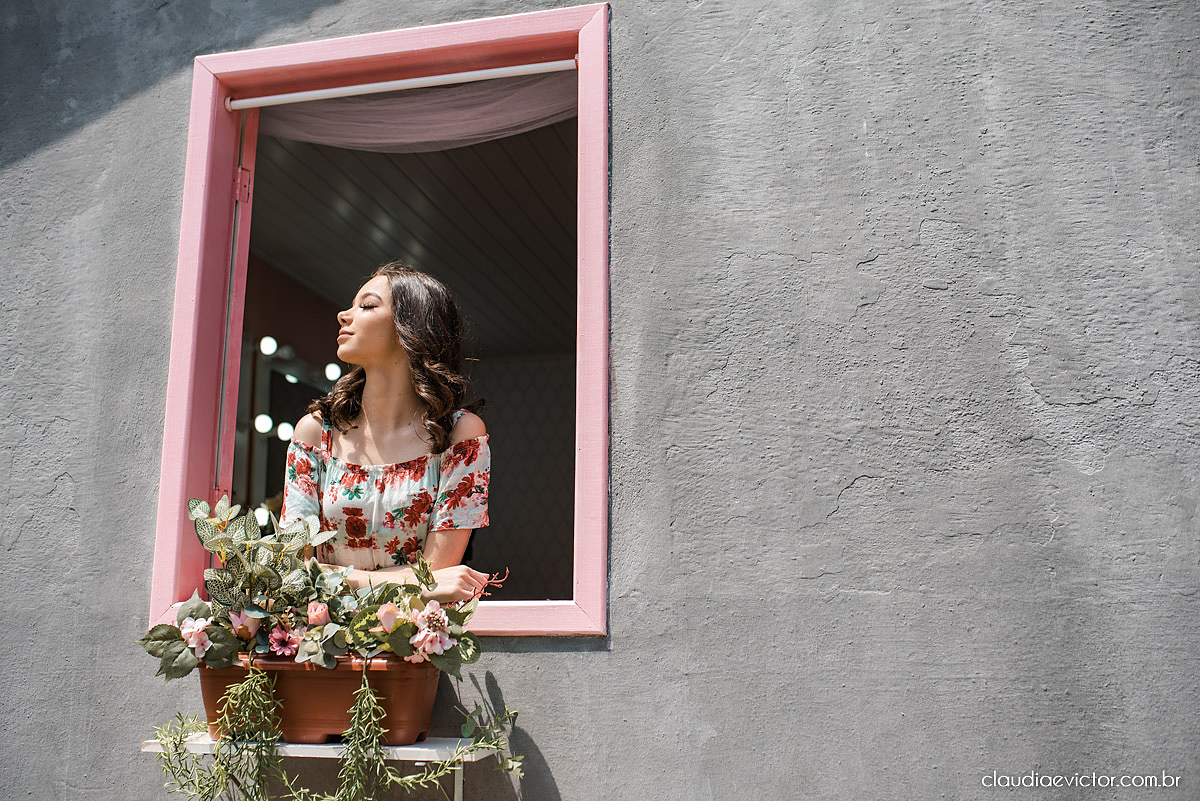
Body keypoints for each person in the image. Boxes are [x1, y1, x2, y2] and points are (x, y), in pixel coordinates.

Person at [280, 261, 491, 603]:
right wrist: (415, 584)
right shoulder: (316, 434)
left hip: (416, 648)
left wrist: (330, 576)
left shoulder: (459, 436)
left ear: (408, 327)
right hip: (319, 643)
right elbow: (292, 567)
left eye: (366, 305)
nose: (343, 316)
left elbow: (438, 568)